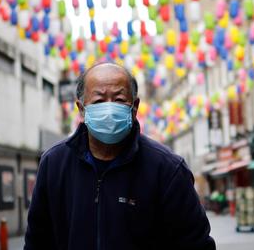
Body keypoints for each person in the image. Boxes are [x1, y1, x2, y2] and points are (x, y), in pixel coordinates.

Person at [24, 62, 216, 250]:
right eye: (99, 101)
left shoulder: (167, 169)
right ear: (81, 109)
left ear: (135, 107)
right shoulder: (54, 164)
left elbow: (196, 243)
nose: (109, 109)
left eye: (119, 99)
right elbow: (37, 241)